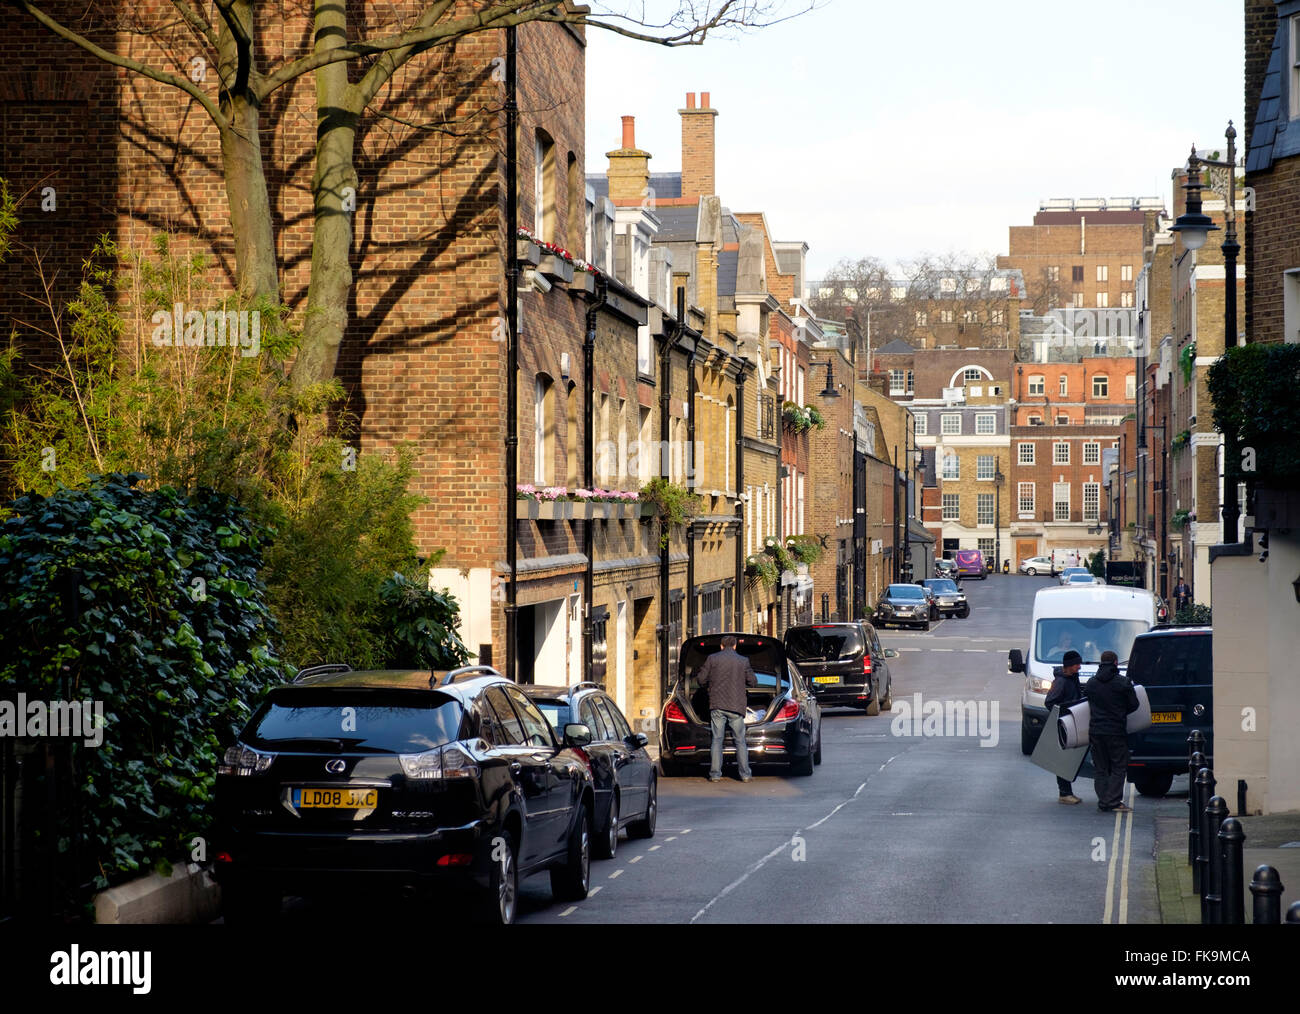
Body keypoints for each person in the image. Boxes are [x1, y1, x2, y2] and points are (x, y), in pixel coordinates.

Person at [695, 635, 758, 782]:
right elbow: (753, 682)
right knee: (740, 741)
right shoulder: (743, 661)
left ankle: (715, 775)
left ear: (721, 646)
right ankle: (745, 775)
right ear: (735, 646)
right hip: (736, 706)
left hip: (717, 706)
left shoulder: (712, 659)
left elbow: (700, 680)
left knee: (717, 740)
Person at [1084, 649, 1140, 812]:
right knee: (1118, 766)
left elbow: (1086, 701)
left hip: (1095, 731)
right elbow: (1134, 704)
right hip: (1115, 730)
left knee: (1100, 767)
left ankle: (1103, 801)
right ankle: (1113, 801)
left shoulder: (1091, 683)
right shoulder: (1122, 683)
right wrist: (1120, 711)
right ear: (1115, 663)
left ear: (1102, 663)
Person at [1044, 650, 1085, 804]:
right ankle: (1064, 793)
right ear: (1068, 666)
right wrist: (1068, 710)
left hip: (1072, 722)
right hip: (1065, 723)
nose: (1079, 667)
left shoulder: (1072, 678)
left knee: (1069, 759)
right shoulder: (1061, 681)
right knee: (1064, 759)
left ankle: (1067, 792)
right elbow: (1049, 702)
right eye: (1076, 664)